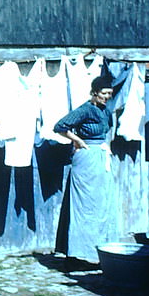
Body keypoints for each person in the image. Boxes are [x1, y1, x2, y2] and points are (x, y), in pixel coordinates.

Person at [53, 74, 116, 264]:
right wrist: (78, 141)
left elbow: (107, 131)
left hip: (101, 156)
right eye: (104, 93)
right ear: (94, 93)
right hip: (86, 157)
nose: (107, 97)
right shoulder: (85, 110)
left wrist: (106, 146)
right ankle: (76, 254)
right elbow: (60, 126)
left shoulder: (106, 111)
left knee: (101, 204)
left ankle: (99, 251)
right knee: (83, 205)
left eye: (110, 94)